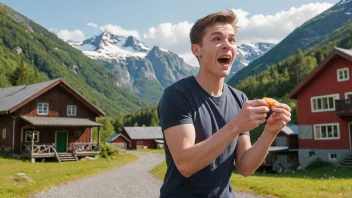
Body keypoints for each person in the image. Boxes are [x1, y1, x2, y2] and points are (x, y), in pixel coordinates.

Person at [157, 9, 291, 198]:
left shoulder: (239, 99)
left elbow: (245, 167)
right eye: (217, 39)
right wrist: (236, 125)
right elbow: (185, 164)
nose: (227, 45)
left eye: (232, 39)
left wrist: (270, 132)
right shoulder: (177, 95)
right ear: (197, 50)